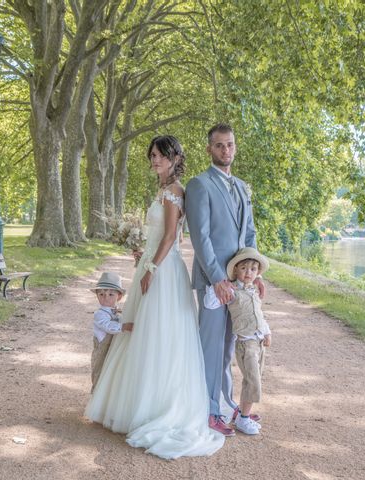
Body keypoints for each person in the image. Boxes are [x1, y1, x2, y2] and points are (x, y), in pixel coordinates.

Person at [85, 135, 224, 459]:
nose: (155, 161)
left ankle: (156, 407)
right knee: (141, 331)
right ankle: (135, 404)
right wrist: (144, 255)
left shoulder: (175, 192)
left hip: (164, 271)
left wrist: (151, 268)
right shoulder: (162, 191)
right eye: (152, 156)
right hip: (153, 263)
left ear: (175, 157)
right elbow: (159, 236)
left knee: (158, 334)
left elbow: (172, 236)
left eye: (160, 155)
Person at [185, 123, 264, 437]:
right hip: (213, 281)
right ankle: (208, 410)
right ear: (209, 149)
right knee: (212, 346)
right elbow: (200, 237)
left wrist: (254, 274)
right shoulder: (199, 185)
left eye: (230, 144)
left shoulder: (243, 187)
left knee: (231, 346)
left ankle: (227, 403)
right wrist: (218, 278)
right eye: (219, 145)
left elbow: (249, 234)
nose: (225, 151)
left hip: (239, 283)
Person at [204, 247, 271, 435]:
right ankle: (243, 419)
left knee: (255, 378)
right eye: (244, 268)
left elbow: (259, 314)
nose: (248, 272)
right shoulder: (233, 292)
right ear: (235, 271)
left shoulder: (254, 291)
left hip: (258, 341)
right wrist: (216, 285)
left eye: (253, 269)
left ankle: (243, 413)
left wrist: (267, 332)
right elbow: (211, 303)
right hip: (245, 343)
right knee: (253, 381)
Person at [88, 272, 132, 393]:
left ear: (119, 296)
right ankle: (96, 393)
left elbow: (118, 319)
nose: (106, 297)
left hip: (112, 348)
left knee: (111, 372)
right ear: (97, 296)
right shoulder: (99, 314)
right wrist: (124, 327)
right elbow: (107, 326)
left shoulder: (116, 312)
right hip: (102, 350)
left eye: (111, 294)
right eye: (101, 294)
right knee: (99, 371)